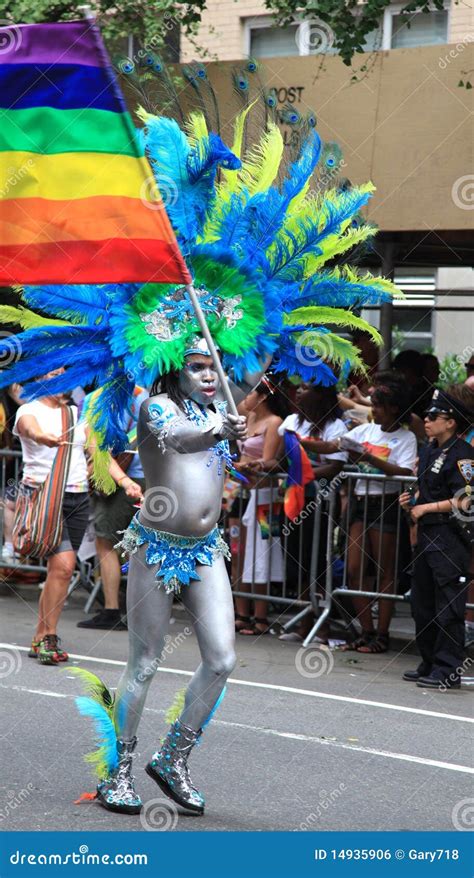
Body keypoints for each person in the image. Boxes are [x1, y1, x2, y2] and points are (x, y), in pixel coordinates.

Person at [13, 371, 142, 665]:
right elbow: (29, 428)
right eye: (54, 374)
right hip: (45, 497)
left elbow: (99, 453)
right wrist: (41, 437)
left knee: (59, 570)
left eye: (64, 375)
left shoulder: (75, 413)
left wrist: (125, 482)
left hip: (77, 498)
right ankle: (49, 635)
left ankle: (40, 635)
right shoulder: (28, 409)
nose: (61, 381)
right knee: (64, 565)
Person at [324, 381, 417, 653]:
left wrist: (370, 458)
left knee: (384, 572)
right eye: (373, 404)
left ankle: (382, 634)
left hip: (386, 504)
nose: (374, 410)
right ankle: (367, 629)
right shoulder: (366, 429)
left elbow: (406, 473)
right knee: (354, 569)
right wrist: (302, 444)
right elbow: (335, 447)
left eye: (379, 405)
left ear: (394, 408)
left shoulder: (406, 437)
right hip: (361, 503)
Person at [400, 388, 473, 689]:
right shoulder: (429, 450)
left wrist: (426, 507)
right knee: (422, 603)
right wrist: (411, 500)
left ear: (451, 422)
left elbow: (466, 501)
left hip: (448, 536)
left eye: (434, 416)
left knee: (448, 606)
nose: (427, 421)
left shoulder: (463, 457)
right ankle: (428, 660)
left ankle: (448, 668)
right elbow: (424, 489)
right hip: (427, 535)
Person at [276, 383, 347, 642]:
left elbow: (335, 465)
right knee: (297, 561)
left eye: (306, 387)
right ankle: (303, 622)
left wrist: (304, 476)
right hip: (293, 500)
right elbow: (280, 460)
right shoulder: (292, 421)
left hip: (320, 502)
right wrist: (260, 464)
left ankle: (323, 626)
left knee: (317, 563)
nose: (299, 391)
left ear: (321, 394)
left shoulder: (336, 427)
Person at [77, 385, 147, 631]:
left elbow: (92, 445)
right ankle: (141, 612)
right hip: (144, 476)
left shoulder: (96, 398)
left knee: (106, 544)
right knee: (137, 546)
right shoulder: (144, 395)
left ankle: (111, 609)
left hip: (119, 478)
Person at [233, 377, 289, 635]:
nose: (246, 398)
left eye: (251, 393)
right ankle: (241, 612)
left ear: (264, 396)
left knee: (262, 553)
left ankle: (261, 616)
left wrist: (244, 466)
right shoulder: (248, 419)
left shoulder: (274, 422)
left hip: (265, 497)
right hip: (238, 493)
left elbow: (268, 461)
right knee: (238, 552)